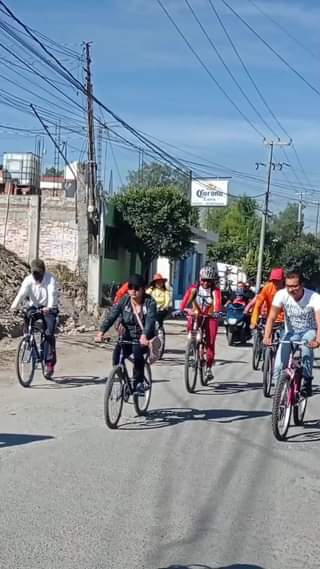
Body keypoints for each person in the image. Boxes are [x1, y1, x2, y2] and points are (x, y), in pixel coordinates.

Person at [96, 274, 157, 395]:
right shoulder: (124, 300)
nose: (133, 291)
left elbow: (150, 321)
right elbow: (112, 316)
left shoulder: (150, 302)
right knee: (116, 355)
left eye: (136, 288)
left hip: (142, 336)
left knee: (138, 354)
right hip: (127, 335)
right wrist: (101, 332)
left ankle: (139, 382)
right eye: (130, 287)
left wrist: (144, 335)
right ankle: (123, 378)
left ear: (143, 289)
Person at [264, 270, 320, 397]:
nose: (291, 289)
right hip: (291, 332)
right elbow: (271, 317)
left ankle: (307, 380)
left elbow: (319, 321)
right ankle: (280, 392)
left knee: (307, 348)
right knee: (279, 365)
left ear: (302, 285)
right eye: (288, 286)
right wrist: (267, 336)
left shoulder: (314, 298)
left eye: (295, 286)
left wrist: (317, 340)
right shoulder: (281, 295)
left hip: (309, 330)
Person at [11, 259, 59, 378]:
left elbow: (52, 293)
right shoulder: (28, 280)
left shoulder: (50, 279)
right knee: (27, 315)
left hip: (49, 308)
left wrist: (49, 307)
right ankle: (28, 338)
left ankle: (49, 363)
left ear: (43, 271)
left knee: (48, 333)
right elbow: (21, 294)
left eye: (39, 273)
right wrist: (14, 306)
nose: (36, 275)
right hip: (35, 306)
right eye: (34, 273)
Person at [180, 265, 222, 381]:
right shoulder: (194, 289)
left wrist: (217, 312)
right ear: (200, 279)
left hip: (210, 317)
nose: (205, 283)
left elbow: (217, 303)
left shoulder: (215, 291)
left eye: (209, 281)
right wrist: (181, 309)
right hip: (197, 315)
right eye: (204, 280)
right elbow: (185, 300)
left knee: (210, 341)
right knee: (190, 322)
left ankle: (208, 367)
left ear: (212, 281)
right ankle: (191, 347)